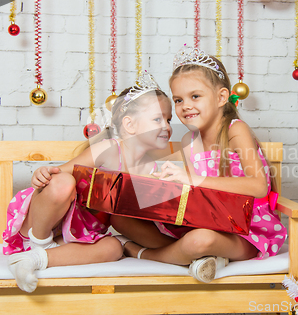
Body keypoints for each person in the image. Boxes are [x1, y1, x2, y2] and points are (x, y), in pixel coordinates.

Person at [111, 46, 286, 283]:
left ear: (221, 97)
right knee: (120, 219)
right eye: (179, 100)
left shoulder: (236, 130)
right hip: (206, 221)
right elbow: (164, 174)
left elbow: (259, 187)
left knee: (200, 241)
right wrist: (144, 172)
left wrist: (194, 179)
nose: (185, 106)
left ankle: (144, 253)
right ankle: (201, 258)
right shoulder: (189, 141)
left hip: (246, 231)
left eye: (195, 96)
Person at [4, 71, 173, 292]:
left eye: (169, 120)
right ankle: (39, 244)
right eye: (158, 119)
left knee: (113, 247)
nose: (167, 126)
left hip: (77, 235)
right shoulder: (110, 149)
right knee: (63, 182)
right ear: (130, 125)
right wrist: (42, 172)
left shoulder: (150, 169)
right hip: (45, 221)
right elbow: (59, 173)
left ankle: (33, 260)